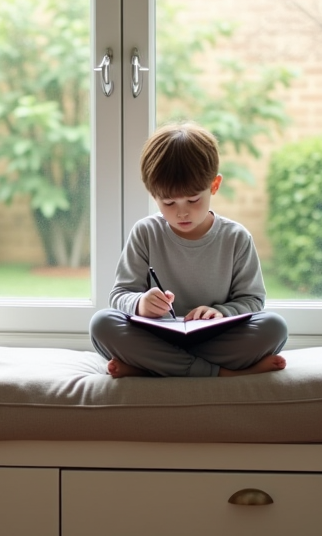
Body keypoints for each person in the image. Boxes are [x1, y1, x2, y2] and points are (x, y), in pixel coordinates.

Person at [90, 121, 288, 378]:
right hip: (156, 336)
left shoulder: (236, 238)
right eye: (169, 202)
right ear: (154, 195)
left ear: (214, 186)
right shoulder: (145, 232)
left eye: (193, 200)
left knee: (273, 327)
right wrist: (140, 303)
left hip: (213, 339)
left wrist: (221, 312)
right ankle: (221, 373)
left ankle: (151, 367)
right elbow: (120, 295)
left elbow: (253, 301)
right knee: (103, 324)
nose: (182, 212)